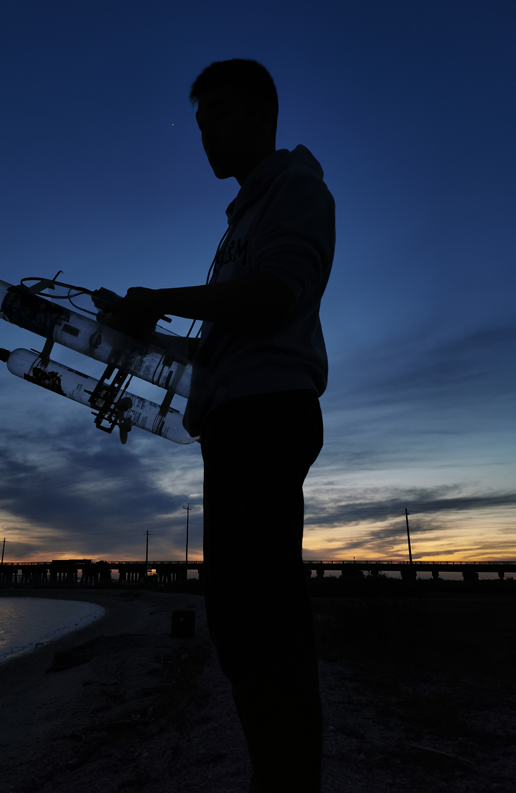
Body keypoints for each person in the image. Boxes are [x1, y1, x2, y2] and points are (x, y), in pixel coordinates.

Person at [109, 59, 335, 793]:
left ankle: (288, 780)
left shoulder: (296, 190)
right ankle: (276, 773)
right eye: (201, 122)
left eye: (221, 117)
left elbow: (274, 296)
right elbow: (221, 335)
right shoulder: (238, 224)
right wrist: (141, 332)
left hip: (268, 416)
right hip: (237, 421)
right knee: (240, 625)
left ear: (264, 117)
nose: (206, 135)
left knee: (262, 622)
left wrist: (161, 298)